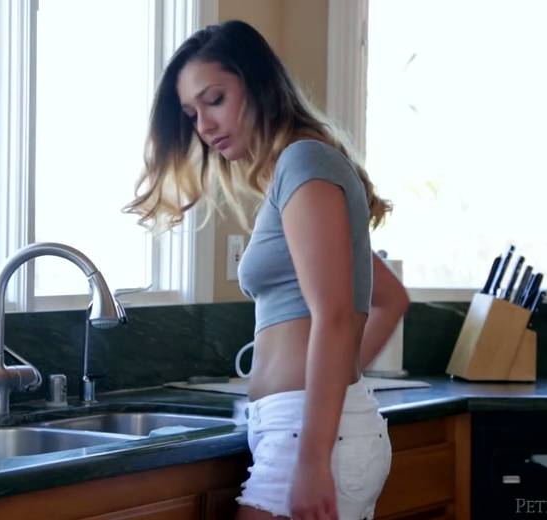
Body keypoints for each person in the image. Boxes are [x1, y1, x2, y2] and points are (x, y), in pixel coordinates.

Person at [125, 20, 410, 520]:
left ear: (257, 84)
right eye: (191, 114)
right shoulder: (299, 170)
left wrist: (314, 453)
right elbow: (389, 298)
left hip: (308, 437)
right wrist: (333, 392)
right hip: (307, 428)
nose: (204, 125)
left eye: (215, 100)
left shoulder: (304, 164)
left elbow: (334, 317)